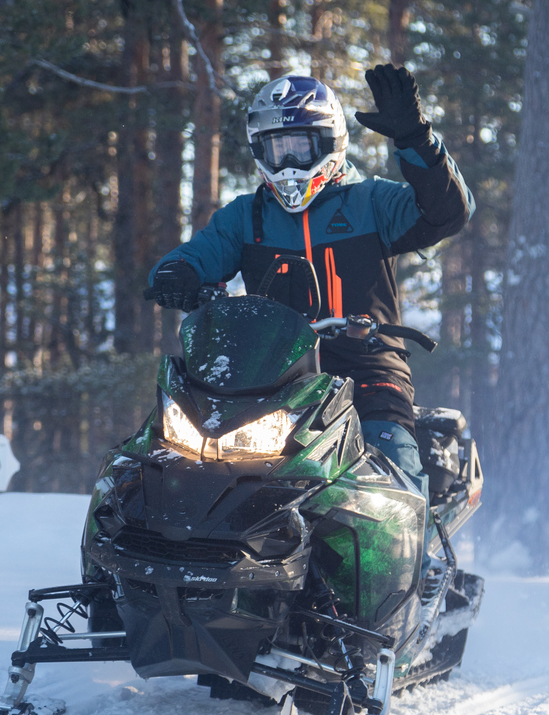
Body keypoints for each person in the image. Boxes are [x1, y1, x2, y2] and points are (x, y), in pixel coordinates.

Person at [146, 64, 474, 486]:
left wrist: (414, 138)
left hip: (368, 370)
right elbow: (195, 256)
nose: (286, 162)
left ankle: (414, 550)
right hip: (274, 375)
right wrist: (176, 274)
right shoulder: (246, 216)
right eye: (275, 148)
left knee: (394, 474)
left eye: (298, 147)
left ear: (330, 142)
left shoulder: (371, 202)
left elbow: (448, 212)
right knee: (199, 463)